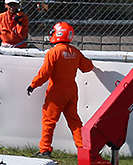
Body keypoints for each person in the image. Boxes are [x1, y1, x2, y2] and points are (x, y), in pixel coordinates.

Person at [27, 22, 94, 156]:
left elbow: (44, 73)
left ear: (57, 34)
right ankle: (84, 149)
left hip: (56, 91)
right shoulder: (75, 52)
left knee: (49, 121)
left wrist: (33, 85)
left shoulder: (53, 52)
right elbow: (87, 67)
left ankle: (45, 149)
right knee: (74, 121)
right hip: (71, 90)